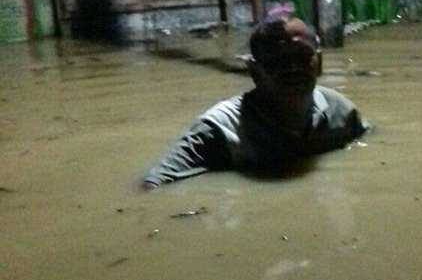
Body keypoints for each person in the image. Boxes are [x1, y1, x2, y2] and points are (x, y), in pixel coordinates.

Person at [142, 16, 368, 189]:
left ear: (318, 63)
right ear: (254, 71)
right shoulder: (221, 130)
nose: (292, 69)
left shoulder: (341, 111)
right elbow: (153, 185)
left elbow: (372, 146)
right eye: (277, 61)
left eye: (301, 56)